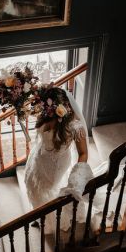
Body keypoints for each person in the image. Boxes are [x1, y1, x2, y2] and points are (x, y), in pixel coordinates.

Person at [24, 87, 94, 233]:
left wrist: (77, 176)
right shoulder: (45, 115)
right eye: (45, 107)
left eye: (48, 108)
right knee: (33, 184)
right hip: (38, 157)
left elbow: (83, 153)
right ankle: (39, 215)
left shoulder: (75, 126)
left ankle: (46, 218)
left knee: (47, 190)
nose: (45, 111)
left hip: (56, 165)